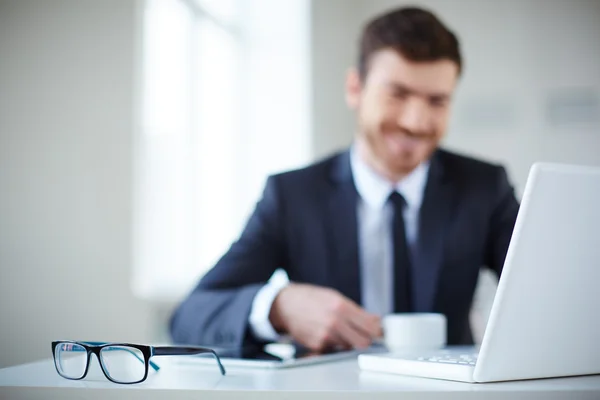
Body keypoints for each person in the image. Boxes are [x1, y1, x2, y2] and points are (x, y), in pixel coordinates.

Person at [170, 7, 519, 352]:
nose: (416, 121)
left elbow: (545, 291)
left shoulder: (485, 188)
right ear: (355, 88)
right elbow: (190, 316)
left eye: (437, 101)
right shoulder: (292, 197)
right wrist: (277, 306)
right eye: (397, 94)